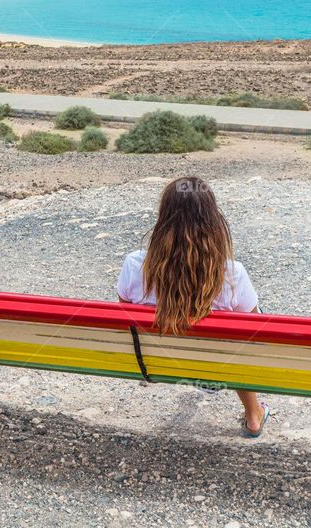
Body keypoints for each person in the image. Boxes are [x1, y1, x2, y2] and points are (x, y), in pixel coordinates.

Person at [116, 176, 270, 437]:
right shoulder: (231, 274)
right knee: (244, 332)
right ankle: (253, 415)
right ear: (213, 222)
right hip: (217, 365)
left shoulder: (135, 265)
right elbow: (254, 331)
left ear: (163, 219)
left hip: (158, 362)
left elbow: (124, 314)